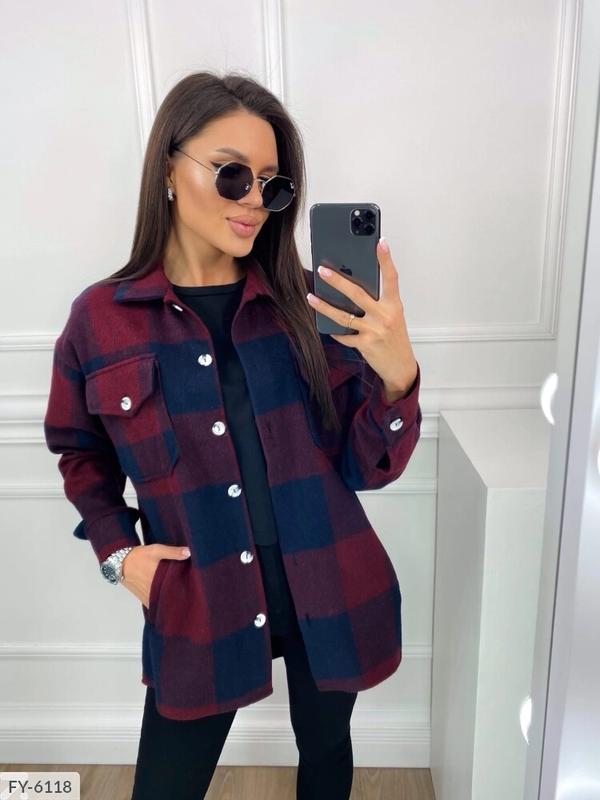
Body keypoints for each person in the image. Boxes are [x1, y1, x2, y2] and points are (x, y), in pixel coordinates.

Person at [44, 70, 422, 800]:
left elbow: (367, 467)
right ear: (168, 169)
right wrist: (119, 555)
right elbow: (79, 451)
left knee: (327, 753)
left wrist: (398, 376)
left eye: (271, 186)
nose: (253, 200)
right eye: (232, 174)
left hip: (330, 583)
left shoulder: (311, 304)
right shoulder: (101, 320)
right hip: (200, 599)